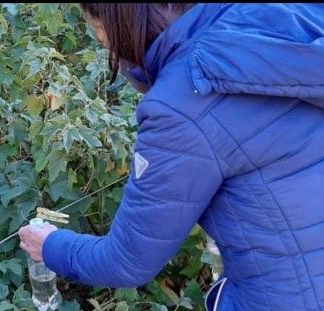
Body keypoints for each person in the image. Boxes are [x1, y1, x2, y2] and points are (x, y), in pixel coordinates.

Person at [18, 3, 324, 311]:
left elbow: (127, 260)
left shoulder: (183, 104)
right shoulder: (280, 19)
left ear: (123, 21)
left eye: (104, 38)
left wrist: (50, 246)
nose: (109, 50)